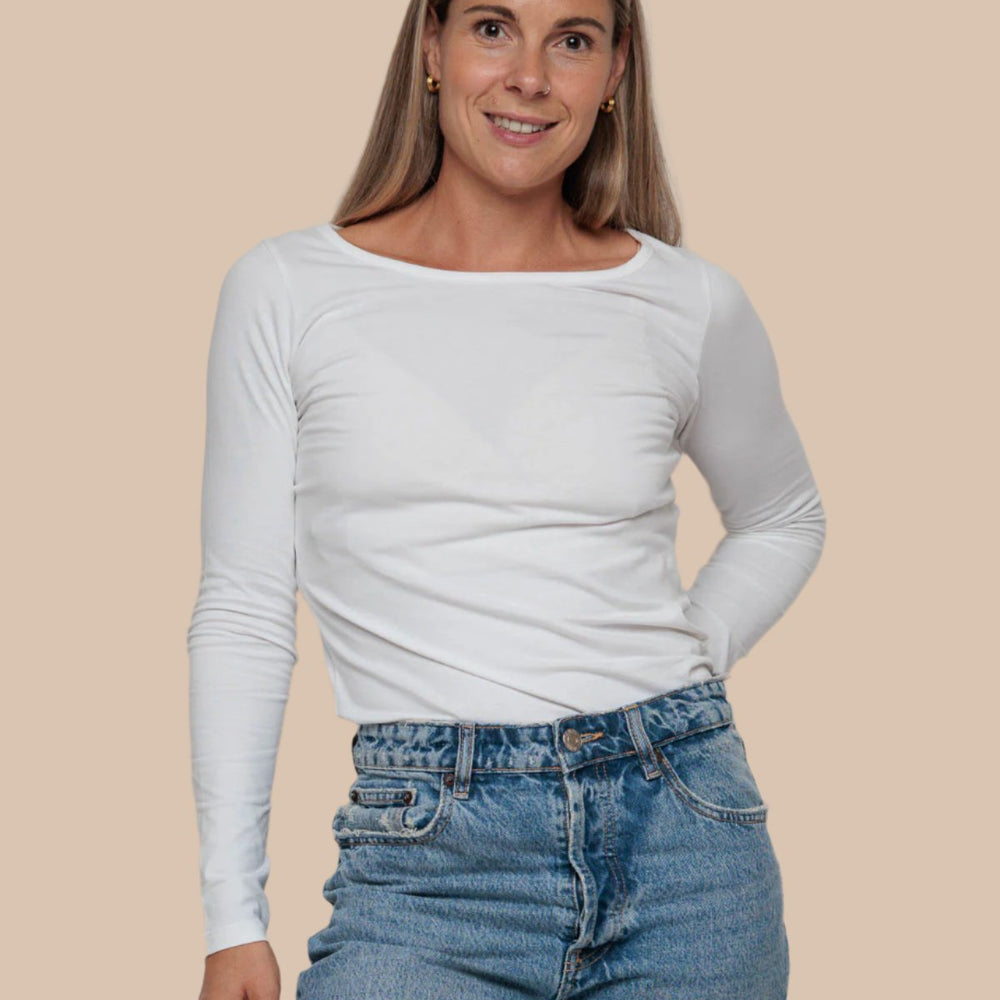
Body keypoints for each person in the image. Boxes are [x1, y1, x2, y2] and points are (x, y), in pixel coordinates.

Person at [187, 1, 827, 997]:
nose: (529, 74)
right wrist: (234, 917)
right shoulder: (291, 289)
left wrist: (688, 662)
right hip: (427, 864)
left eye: (572, 40)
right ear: (431, 46)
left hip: (686, 846)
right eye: (493, 26)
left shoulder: (687, 300)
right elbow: (244, 605)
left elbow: (783, 517)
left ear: (614, 72)